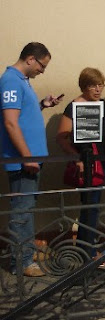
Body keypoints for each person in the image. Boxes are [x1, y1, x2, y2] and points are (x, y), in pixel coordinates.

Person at [0, 42, 62, 277]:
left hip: (30, 159)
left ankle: (26, 252)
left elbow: (21, 116)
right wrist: (27, 156)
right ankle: (20, 262)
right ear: (30, 59)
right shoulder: (11, 81)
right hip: (22, 161)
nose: (42, 71)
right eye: (42, 66)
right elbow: (10, 122)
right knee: (22, 210)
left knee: (27, 208)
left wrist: (42, 106)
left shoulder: (21, 81)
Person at [56, 68, 105, 259]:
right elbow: (62, 138)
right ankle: (87, 252)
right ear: (83, 86)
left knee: (94, 205)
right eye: (92, 85)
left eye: (100, 85)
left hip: (102, 159)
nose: (97, 89)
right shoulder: (74, 106)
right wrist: (77, 158)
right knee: (90, 204)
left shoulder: (103, 105)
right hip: (85, 161)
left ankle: (86, 248)